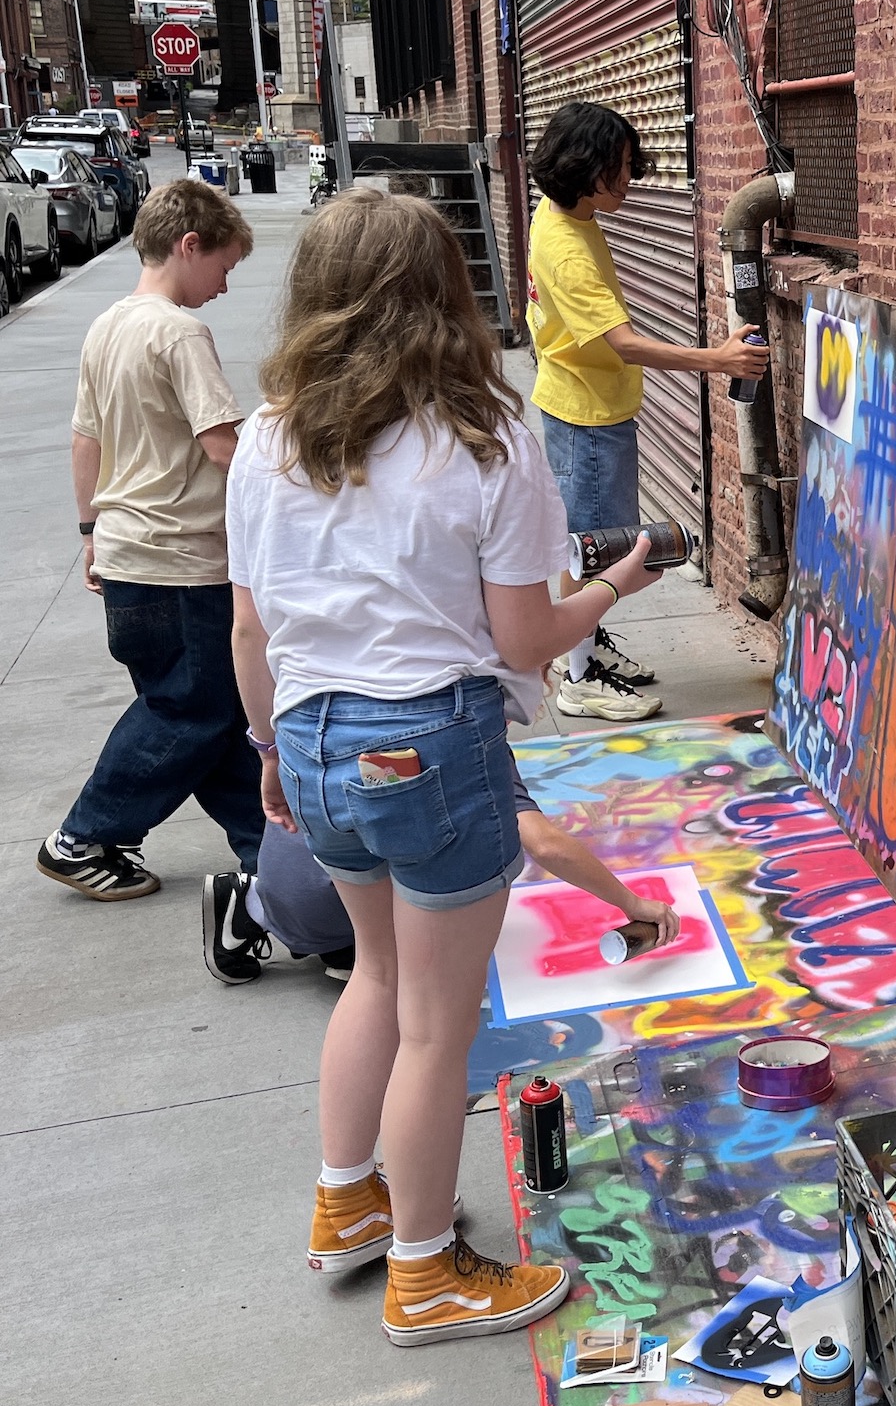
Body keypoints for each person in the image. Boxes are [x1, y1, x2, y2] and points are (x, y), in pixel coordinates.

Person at [227, 187, 662, 1346]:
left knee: (375, 981)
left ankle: (350, 1203)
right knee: (438, 1023)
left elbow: (250, 629)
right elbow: (525, 644)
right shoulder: (486, 436)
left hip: (314, 737)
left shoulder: (269, 437)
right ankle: (427, 1269)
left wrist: (270, 750)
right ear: (445, 293)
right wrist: (620, 583)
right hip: (430, 743)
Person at [38, 177, 261, 902]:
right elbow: (224, 445)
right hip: (183, 559)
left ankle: (270, 848)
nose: (225, 287)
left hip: (134, 553)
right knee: (189, 711)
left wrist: (90, 531)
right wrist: (306, 471)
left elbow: (85, 437)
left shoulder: (108, 324)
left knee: (213, 714)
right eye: (223, 267)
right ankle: (85, 834)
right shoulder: (178, 331)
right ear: (188, 245)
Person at [526, 100, 769, 722]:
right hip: (586, 416)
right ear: (588, 171)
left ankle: (586, 646)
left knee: (595, 539)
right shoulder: (569, 250)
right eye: (623, 168)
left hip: (584, 402)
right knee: (593, 546)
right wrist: (719, 360)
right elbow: (624, 343)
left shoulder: (560, 217)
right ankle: (578, 674)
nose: (632, 181)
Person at [202, 744, 680, 983]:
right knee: (480, 840)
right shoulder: (464, 733)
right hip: (322, 910)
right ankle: (267, 912)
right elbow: (546, 845)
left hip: (309, 878)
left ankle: (283, 912)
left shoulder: (333, 696)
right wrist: (631, 901)